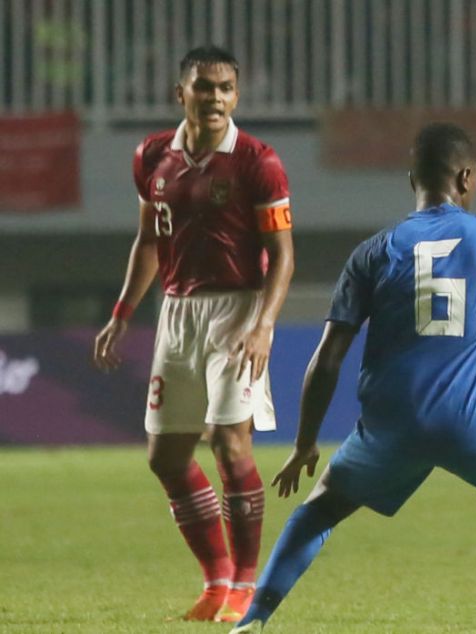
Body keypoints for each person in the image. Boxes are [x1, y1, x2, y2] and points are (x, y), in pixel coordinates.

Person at [228, 123, 476, 634]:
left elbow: (327, 359)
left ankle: (253, 620)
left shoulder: (374, 251)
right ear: (467, 177)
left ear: (412, 181)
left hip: (391, 425)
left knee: (321, 508)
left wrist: (305, 444)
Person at [92, 45, 295, 623]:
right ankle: (216, 580)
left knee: (230, 446)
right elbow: (150, 240)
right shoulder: (151, 156)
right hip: (177, 312)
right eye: (204, 87)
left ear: (236, 95)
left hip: (238, 310)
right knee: (167, 455)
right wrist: (122, 312)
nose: (215, 98)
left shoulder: (259, 161)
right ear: (180, 93)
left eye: (226, 88)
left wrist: (263, 326)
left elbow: (282, 255)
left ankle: (248, 586)